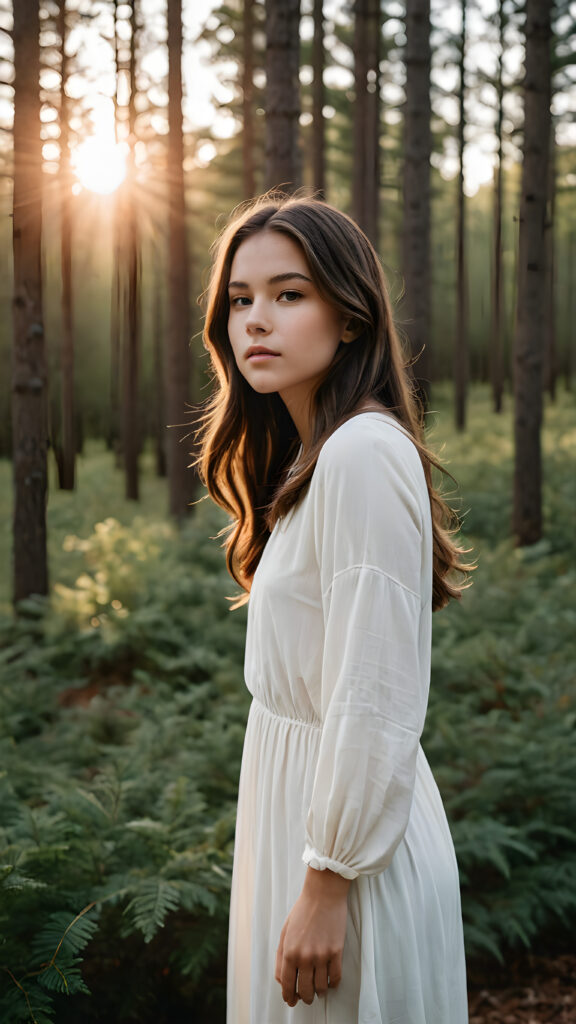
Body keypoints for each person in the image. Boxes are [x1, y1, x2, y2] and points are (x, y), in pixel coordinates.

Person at [198, 194, 471, 1024]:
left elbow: (375, 690)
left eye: (289, 294)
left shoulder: (359, 450)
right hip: (303, 821)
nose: (256, 321)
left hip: (346, 857)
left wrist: (327, 880)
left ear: (349, 318)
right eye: (241, 299)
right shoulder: (316, 458)